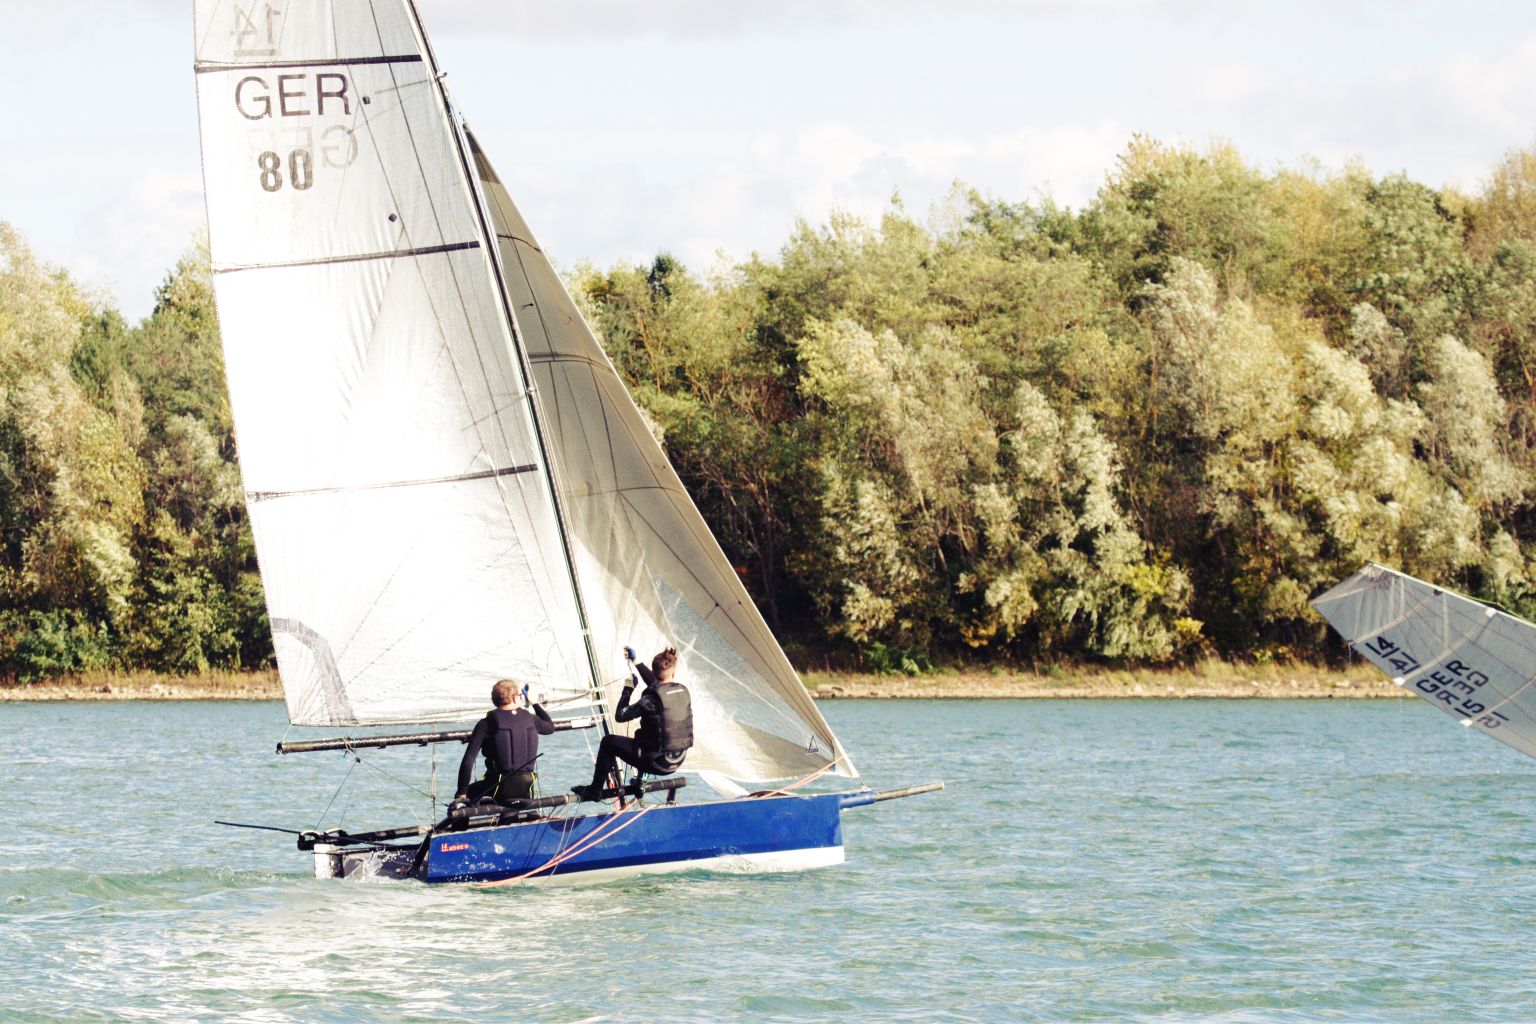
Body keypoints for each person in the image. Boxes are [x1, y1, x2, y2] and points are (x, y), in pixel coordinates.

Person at [573, 646, 693, 800]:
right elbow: (659, 685)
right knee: (651, 734)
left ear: (654, 671)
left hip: (656, 763)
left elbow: (620, 716)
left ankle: (594, 790)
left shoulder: (648, 701)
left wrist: (628, 689)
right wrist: (636, 661)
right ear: (674, 673)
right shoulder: (683, 692)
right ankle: (639, 782)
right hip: (677, 761)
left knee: (608, 742)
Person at [452, 679, 556, 807]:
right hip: (526, 788)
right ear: (514, 698)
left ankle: (461, 818)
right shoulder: (531, 719)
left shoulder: (486, 723)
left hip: (498, 788)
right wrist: (534, 702)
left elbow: (468, 761)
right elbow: (550, 727)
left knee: (466, 796)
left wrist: (462, 793)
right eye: (520, 696)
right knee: (509, 797)